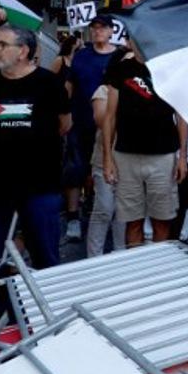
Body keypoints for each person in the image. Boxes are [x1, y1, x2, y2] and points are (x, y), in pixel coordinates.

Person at [0, 27, 71, 269]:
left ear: (23, 51)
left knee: (45, 256)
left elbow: (65, 124)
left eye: (3, 45)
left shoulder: (49, 84)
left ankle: (45, 305)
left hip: (40, 184)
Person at [101, 49, 187, 247]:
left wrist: (182, 157)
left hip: (163, 155)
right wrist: (107, 158)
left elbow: (182, 116)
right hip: (126, 155)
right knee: (132, 221)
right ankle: (135, 270)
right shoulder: (121, 69)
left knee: (162, 220)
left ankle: (159, 271)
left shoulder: (171, 69)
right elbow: (110, 116)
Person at [65, 15, 118, 241]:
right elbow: (69, 85)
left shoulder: (120, 56)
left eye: (102, 28)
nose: (97, 32)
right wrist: (65, 112)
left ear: (111, 30)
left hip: (111, 126)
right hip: (80, 122)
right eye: (94, 28)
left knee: (108, 171)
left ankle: (107, 217)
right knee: (75, 170)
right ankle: (73, 218)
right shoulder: (81, 55)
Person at [84, 82, 124, 257]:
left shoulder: (143, 90)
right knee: (104, 209)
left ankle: (121, 255)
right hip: (103, 159)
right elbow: (101, 120)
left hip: (128, 160)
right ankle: (94, 258)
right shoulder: (103, 90)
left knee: (123, 211)